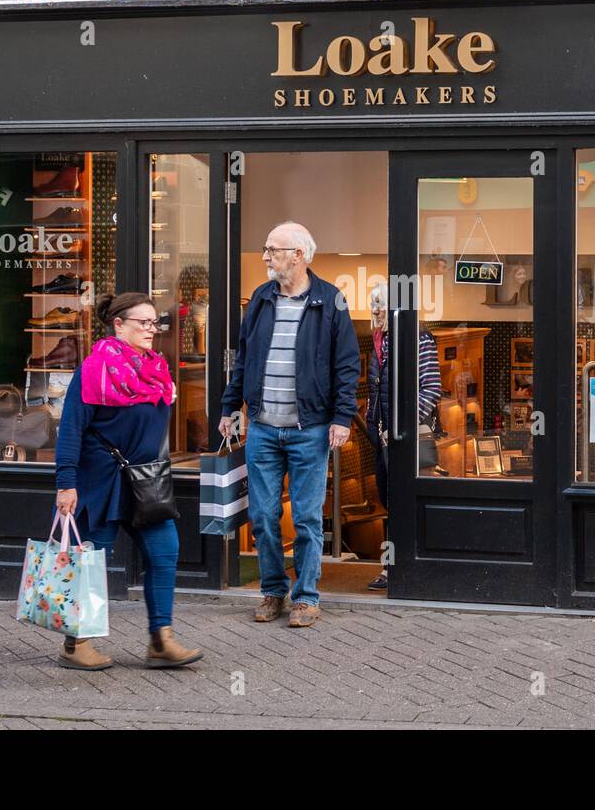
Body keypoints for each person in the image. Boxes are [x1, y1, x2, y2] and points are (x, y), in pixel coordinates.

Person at [218, 222, 360, 628]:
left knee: (306, 519)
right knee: (263, 516)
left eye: (272, 250)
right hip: (262, 427)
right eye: (265, 250)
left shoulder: (330, 300)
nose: (265, 257)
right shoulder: (261, 299)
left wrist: (341, 417)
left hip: (310, 429)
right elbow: (243, 359)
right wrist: (232, 408)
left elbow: (347, 365)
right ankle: (273, 591)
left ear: (298, 254)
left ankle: (307, 597)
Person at [54, 292, 203, 670]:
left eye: (155, 323)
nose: (151, 330)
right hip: (100, 481)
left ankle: (161, 640)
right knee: (91, 562)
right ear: (118, 324)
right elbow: (71, 430)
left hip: (145, 479)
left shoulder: (156, 370)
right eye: (143, 323)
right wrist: (66, 483)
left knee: (165, 552)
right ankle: (77, 645)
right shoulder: (92, 370)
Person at [364, 285, 442, 590]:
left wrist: (399, 426)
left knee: (402, 503)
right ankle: (394, 565)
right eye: (373, 304)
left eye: (382, 304)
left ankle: (396, 568)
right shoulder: (379, 340)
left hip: (403, 439)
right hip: (383, 439)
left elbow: (431, 388)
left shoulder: (418, 338)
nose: (376, 310)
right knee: (389, 501)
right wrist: (374, 426)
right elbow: (376, 390)